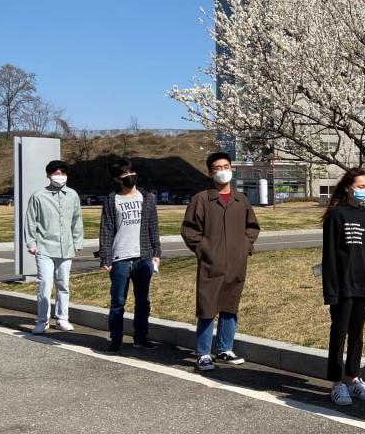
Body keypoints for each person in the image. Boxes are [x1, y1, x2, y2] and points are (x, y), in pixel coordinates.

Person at [181, 152, 261, 372]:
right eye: (217, 167)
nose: (223, 171)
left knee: (230, 304)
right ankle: (203, 353)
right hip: (210, 263)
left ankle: (225, 348)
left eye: (226, 166)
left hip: (236, 262)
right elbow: (189, 230)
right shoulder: (201, 199)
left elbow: (252, 227)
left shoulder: (241, 200)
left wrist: (245, 246)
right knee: (207, 307)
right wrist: (203, 250)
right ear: (210, 172)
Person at [321, 168, 365, 406]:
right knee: (339, 332)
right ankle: (337, 383)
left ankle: (354, 378)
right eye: (360, 186)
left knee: (357, 333)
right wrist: (331, 290)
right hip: (343, 285)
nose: (364, 190)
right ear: (348, 187)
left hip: (364, 283)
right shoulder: (336, 215)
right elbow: (329, 257)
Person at [97, 158, 162, 354]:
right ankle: (115, 339)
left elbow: (153, 226)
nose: (130, 176)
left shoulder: (147, 198)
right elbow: (106, 229)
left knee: (143, 301)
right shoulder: (112, 200)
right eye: (124, 174)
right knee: (118, 301)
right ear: (117, 179)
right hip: (120, 258)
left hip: (143, 257)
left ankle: (141, 337)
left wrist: (156, 252)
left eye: (131, 171)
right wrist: (106, 257)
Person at [24, 160, 84, 335]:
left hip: (66, 248)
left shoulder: (72, 195)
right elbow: (31, 221)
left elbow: (77, 220)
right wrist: (31, 243)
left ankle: (62, 318)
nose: (60, 176)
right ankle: (42, 320)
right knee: (44, 284)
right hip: (44, 248)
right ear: (48, 175)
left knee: (63, 284)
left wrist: (77, 241)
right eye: (56, 173)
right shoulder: (38, 196)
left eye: (62, 173)